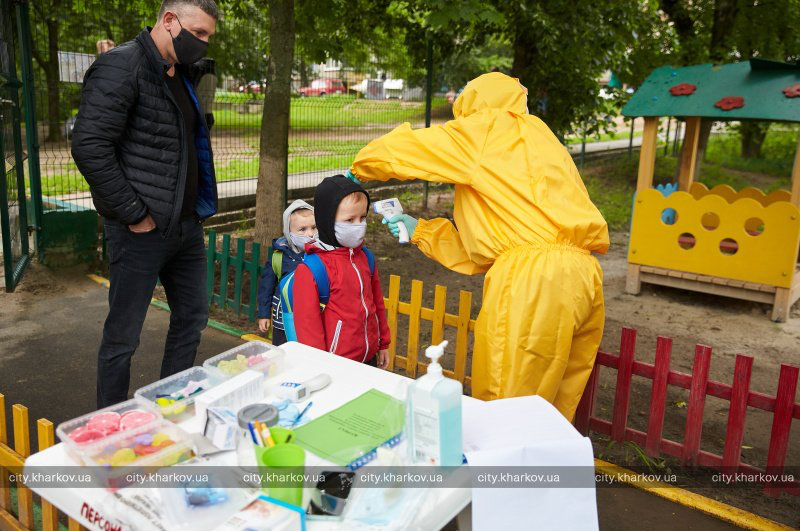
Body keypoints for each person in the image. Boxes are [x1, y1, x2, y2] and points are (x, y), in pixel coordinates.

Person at [350, 72, 609, 420]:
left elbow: (409, 150)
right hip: (583, 277)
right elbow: (494, 248)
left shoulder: (486, 128)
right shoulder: (544, 140)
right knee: (552, 410)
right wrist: (421, 230)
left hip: (533, 284)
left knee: (507, 404)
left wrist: (362, 167)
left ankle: (498, 474)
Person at [71, 0, 219, 408]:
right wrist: (135, 214)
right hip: (141, 231)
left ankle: (169, 407)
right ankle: (112, 425)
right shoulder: (123, 66)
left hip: (186, 227)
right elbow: (89, 146)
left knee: (191, 319)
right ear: (169, 21)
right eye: (200, 33)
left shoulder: (183, 73)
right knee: (123, 338)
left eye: (209, 36)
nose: (204, 44)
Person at [292, 176, 390, 369]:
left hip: (369, 357)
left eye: (362, 218)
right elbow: (308, 329)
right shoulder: (311, 270)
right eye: (349, 220)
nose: (359, 225)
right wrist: (320, 368)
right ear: (327, 220)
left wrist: (382, 342)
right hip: (335, 366)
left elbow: (376, 304)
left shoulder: (366, 258)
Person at [257, 200, 317, 345]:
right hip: (283, 321)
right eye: (302, 229)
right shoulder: (279, 256)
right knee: (283, 352)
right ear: (289, 232)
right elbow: (266, 287)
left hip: (312, 319)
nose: (310, 234)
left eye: (314, 228)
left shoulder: (321, 255)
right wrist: (264, 314)